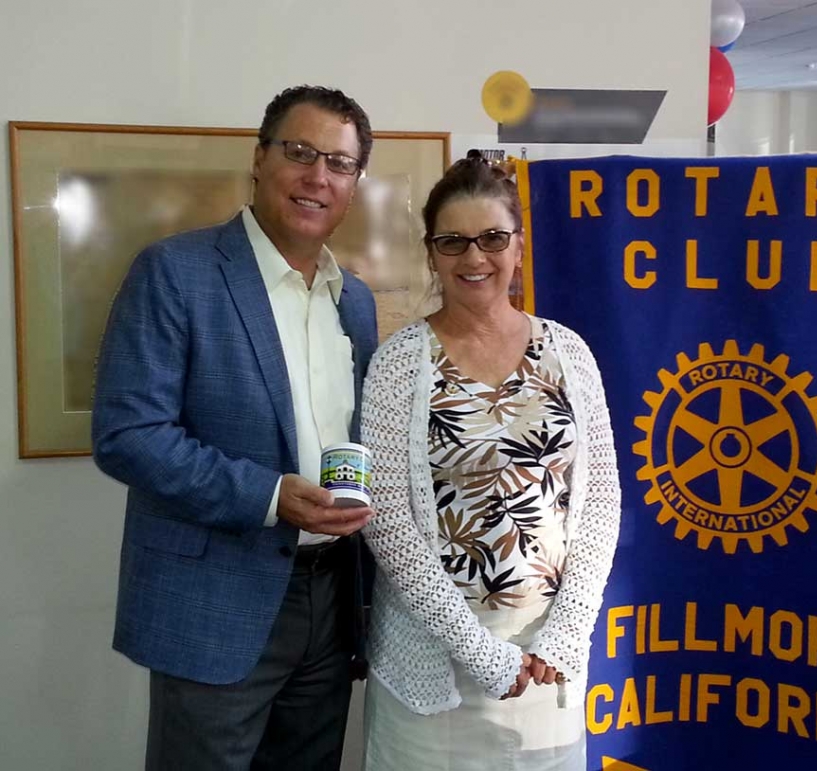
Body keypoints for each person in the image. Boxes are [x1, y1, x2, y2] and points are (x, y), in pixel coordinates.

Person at [92, 85, 378, 770]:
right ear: (259, 158)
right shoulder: (176, 273)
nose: (318, 176)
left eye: (339, 163)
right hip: (216, 600)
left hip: (333, 598)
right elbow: (128, 433)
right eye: (300, 152)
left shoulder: (356, 299)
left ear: (354, 183)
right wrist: (270, 494)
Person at [358, 155, 622, 770]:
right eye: (453, 242)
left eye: (492, 239)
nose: (474, 258)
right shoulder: (399, 363)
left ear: (518, 247)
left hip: (547, 656)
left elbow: (603, 499)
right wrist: (478, 651)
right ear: (431, 254)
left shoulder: (569, 352)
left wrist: (569, 629)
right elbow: (388, 522)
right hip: (435, 658)